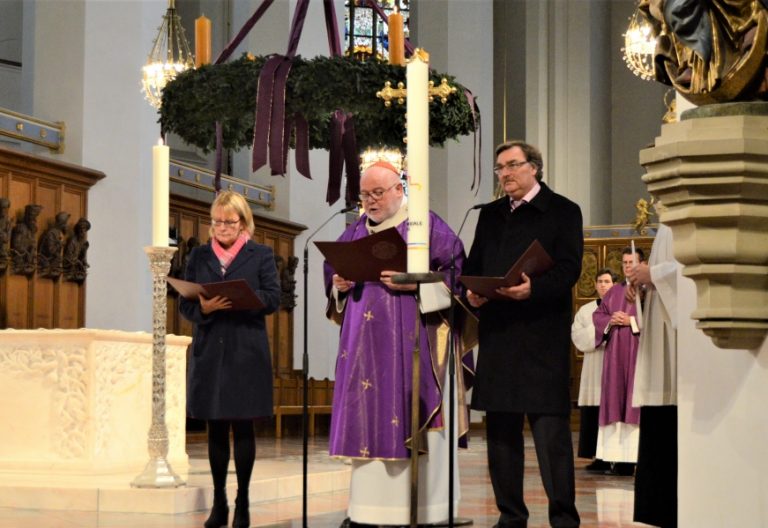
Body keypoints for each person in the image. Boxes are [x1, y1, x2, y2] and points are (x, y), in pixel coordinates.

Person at [324, 160, 469, 527]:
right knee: (367, 419)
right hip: (363, 350)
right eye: (365, 194)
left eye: (378, 192)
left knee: (412, 414)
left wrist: (417, 283)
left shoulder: (424, 225)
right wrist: (338, 286)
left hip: (416, 341)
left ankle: (426, 510)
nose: (371, 201)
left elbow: (457, 274)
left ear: (398, 190)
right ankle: (367, 511)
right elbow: (334, 273)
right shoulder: (353, 232)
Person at [464, 140, 582, 528]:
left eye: (512, 165)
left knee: (551, 437)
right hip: (499, 334)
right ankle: (510, 516)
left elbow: (569, 271)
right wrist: (474, 294)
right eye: (500, 168)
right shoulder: (491, 215)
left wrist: (534, 289)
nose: (505, 174)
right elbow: (475, 264)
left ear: (534, 167)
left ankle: (564, 518)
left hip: (541, 336)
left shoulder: (564, 210)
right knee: (500, 435)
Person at [179, 191, 281, 528]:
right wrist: (202, 308)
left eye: (229, 221)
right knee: (216, 429)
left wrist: (243, 299)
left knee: (244, 426)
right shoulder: (198, 255)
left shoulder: (261, 255)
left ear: (243, 222)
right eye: (217, 221)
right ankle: (219, 502)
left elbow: (272, 298)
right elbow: (185, 303)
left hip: (246, 351)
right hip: (210, 351)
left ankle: (243, 503)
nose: (221, 227)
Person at [626, 223, 679, 528]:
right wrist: (644, 284)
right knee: (659, 422)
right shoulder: (667, 223)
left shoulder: (690, 211)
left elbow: (697, 270)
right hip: (661, 338)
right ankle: (657, 511)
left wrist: (653, 274)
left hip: (679, 349)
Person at [591, 247, 645, 476]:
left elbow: (656, 318)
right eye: (624, 262)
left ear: (641, 264)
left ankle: (632, 458)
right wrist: (611, 319)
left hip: (637, 354)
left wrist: (631, 320)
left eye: (631, 262)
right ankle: (615, 458)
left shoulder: (647, 290)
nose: (627, 266)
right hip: (615, 356)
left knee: (633, 402)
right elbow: (598, 315)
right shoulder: (614, 292)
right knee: (615, 400)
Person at [571, 267, 617, 473]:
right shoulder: (586, 310)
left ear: (615, 284)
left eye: (607, 281)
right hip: (593, 366)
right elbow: (578, 337)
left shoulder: (623, 306)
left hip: (614, 364)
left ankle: (617, 457)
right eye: (599, 281)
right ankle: (598, 457)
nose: (603, 285)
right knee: (594, 413)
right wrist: (602, 327)